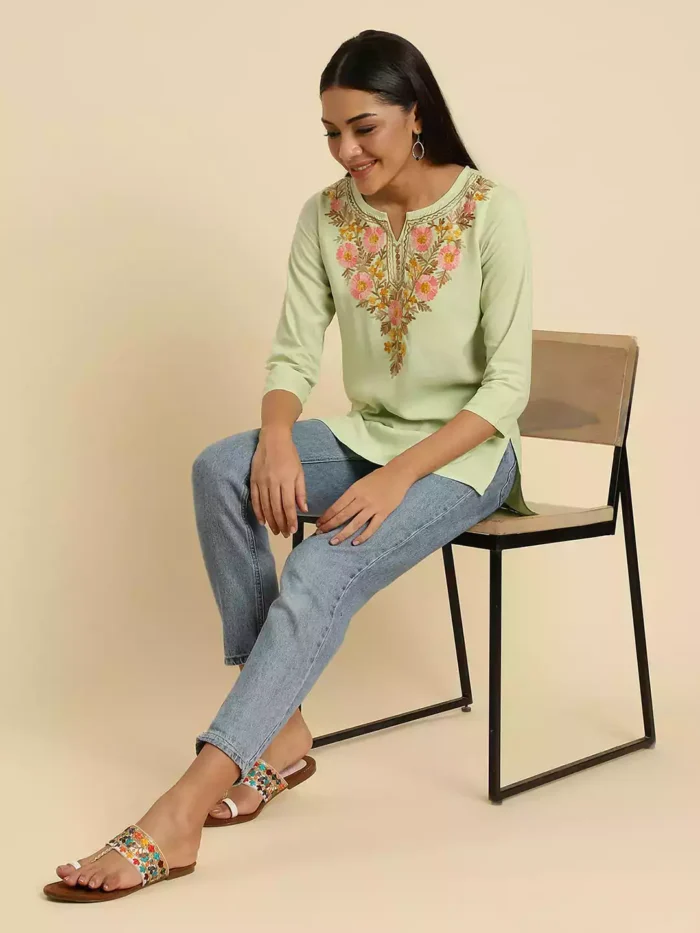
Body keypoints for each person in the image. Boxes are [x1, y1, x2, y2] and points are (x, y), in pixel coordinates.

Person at [44, 28, 534, 902]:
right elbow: (293, 354)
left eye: (364, 129)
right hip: (368, 434)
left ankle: (183, 807)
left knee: (320, 563)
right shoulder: (326, 215)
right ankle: (281, 726)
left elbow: (506, 389)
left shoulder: (492, 212)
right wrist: (277, 436)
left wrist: (397, 477)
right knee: (218, 468)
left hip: (468, 456)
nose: (346, 151)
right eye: (332, 133)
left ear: (416, 115)